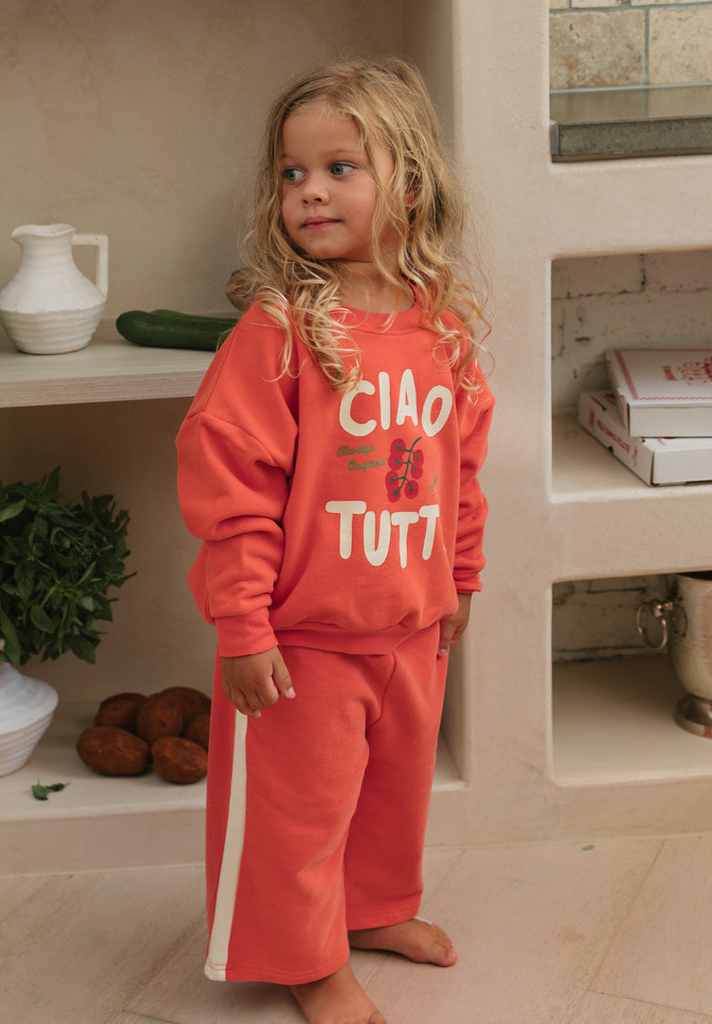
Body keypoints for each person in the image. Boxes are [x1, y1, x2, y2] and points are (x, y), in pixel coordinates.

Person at [175, 56, 494, 1024]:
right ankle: (305, 960)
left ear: (411, 182)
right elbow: (232, 491)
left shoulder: (442, 328)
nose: (309, 190)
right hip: (303, 638)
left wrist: (461, 577)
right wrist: (243, 628)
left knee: (392, 793)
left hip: (410, 623)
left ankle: (372, 909)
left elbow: (460, 468)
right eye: (291, 172)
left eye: (339, 167)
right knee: (295, 814)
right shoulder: (279, 332)